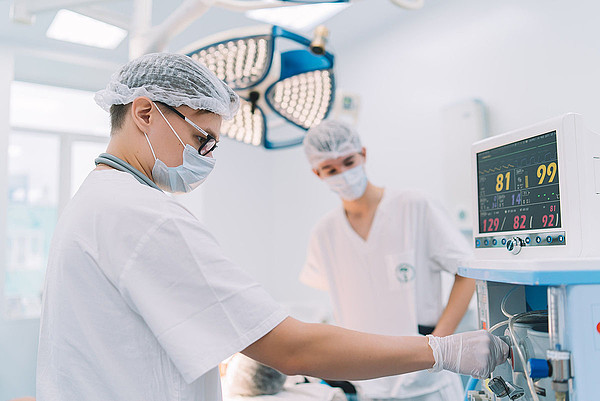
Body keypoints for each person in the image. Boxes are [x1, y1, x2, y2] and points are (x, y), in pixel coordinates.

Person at [36, 53, 508, 401]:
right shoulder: (145, 216)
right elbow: (291, 348)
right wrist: (442, 351)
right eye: (203, 139)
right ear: (144, 113)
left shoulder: (93, 203)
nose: (206, 157)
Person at [301, 119, 478, 401]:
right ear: (317, 173)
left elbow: (468, 272)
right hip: (368, 384)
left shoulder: (414, 207)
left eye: (348, 162)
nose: (343, 174)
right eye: (331, 169)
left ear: (363, 154)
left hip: (427, 383)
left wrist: (437, 346)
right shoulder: (324, 233)